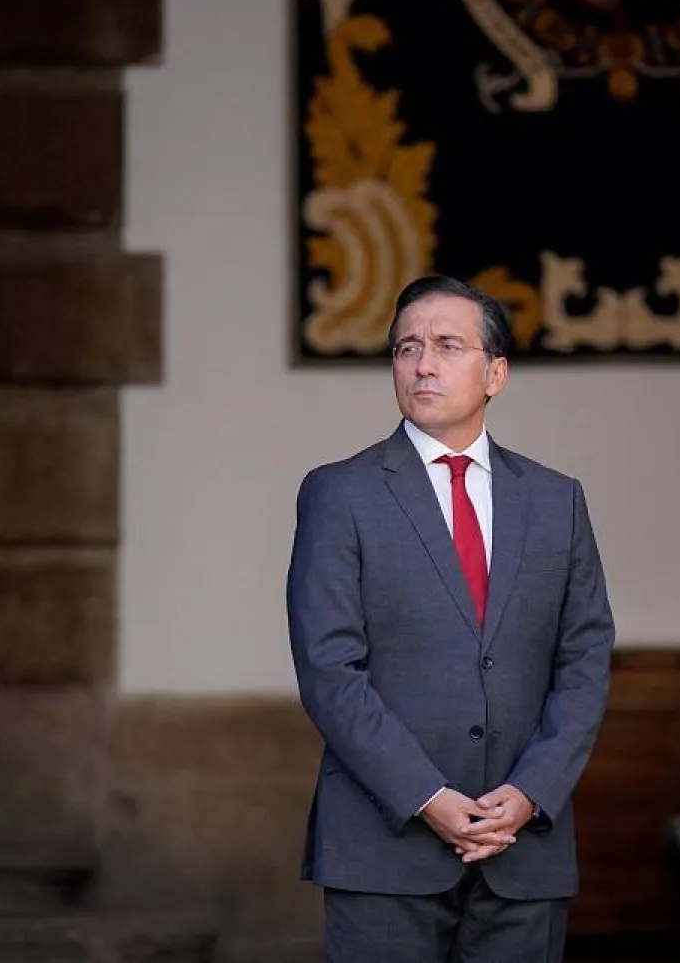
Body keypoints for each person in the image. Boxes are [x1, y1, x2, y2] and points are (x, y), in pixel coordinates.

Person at [286, 274, 617, 961]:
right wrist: (427, 794)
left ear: (496, 371)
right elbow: (329, 670)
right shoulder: (339, 493)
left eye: (446, 345)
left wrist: (531, 790)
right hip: (385, 846)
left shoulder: (557, 500)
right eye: (407, 348)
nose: (423, 364)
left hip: (523, 849)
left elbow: (585, 658)